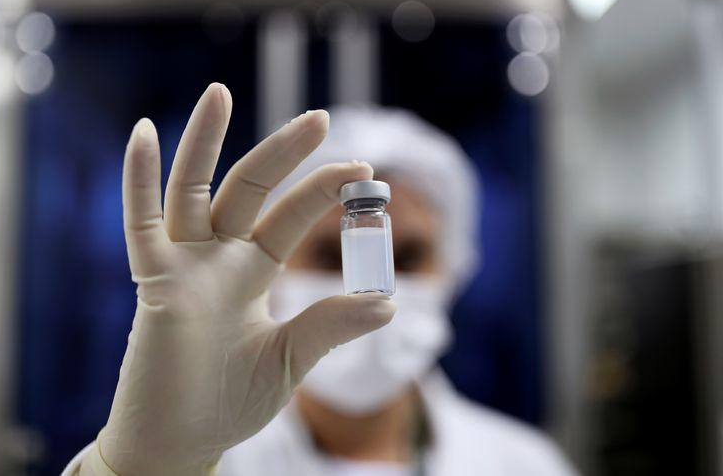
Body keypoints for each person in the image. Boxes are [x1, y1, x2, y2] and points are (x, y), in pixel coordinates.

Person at [64, 83, 576, 475]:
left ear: (454, 268)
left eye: (410, 257)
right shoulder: (211, 459)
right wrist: (146, 469)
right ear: (275, 273)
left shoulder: (525, 464)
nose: (367, 289)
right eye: (330, 256)